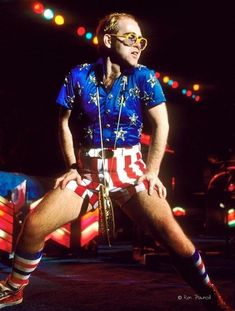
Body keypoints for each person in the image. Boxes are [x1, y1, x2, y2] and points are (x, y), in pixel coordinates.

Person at [0, 12, 232, 311]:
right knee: (33, 224)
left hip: (130, 169)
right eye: (131, 38)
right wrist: (72, 166)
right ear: (108, 40)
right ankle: (15, 289)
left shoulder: (144, 77)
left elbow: (162, 125)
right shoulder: (78, 75)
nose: (138, 46)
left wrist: (152, 171)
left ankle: (207, 294)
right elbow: (63, 123)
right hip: (87, 171)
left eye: (141, 40)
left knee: (171, 235)